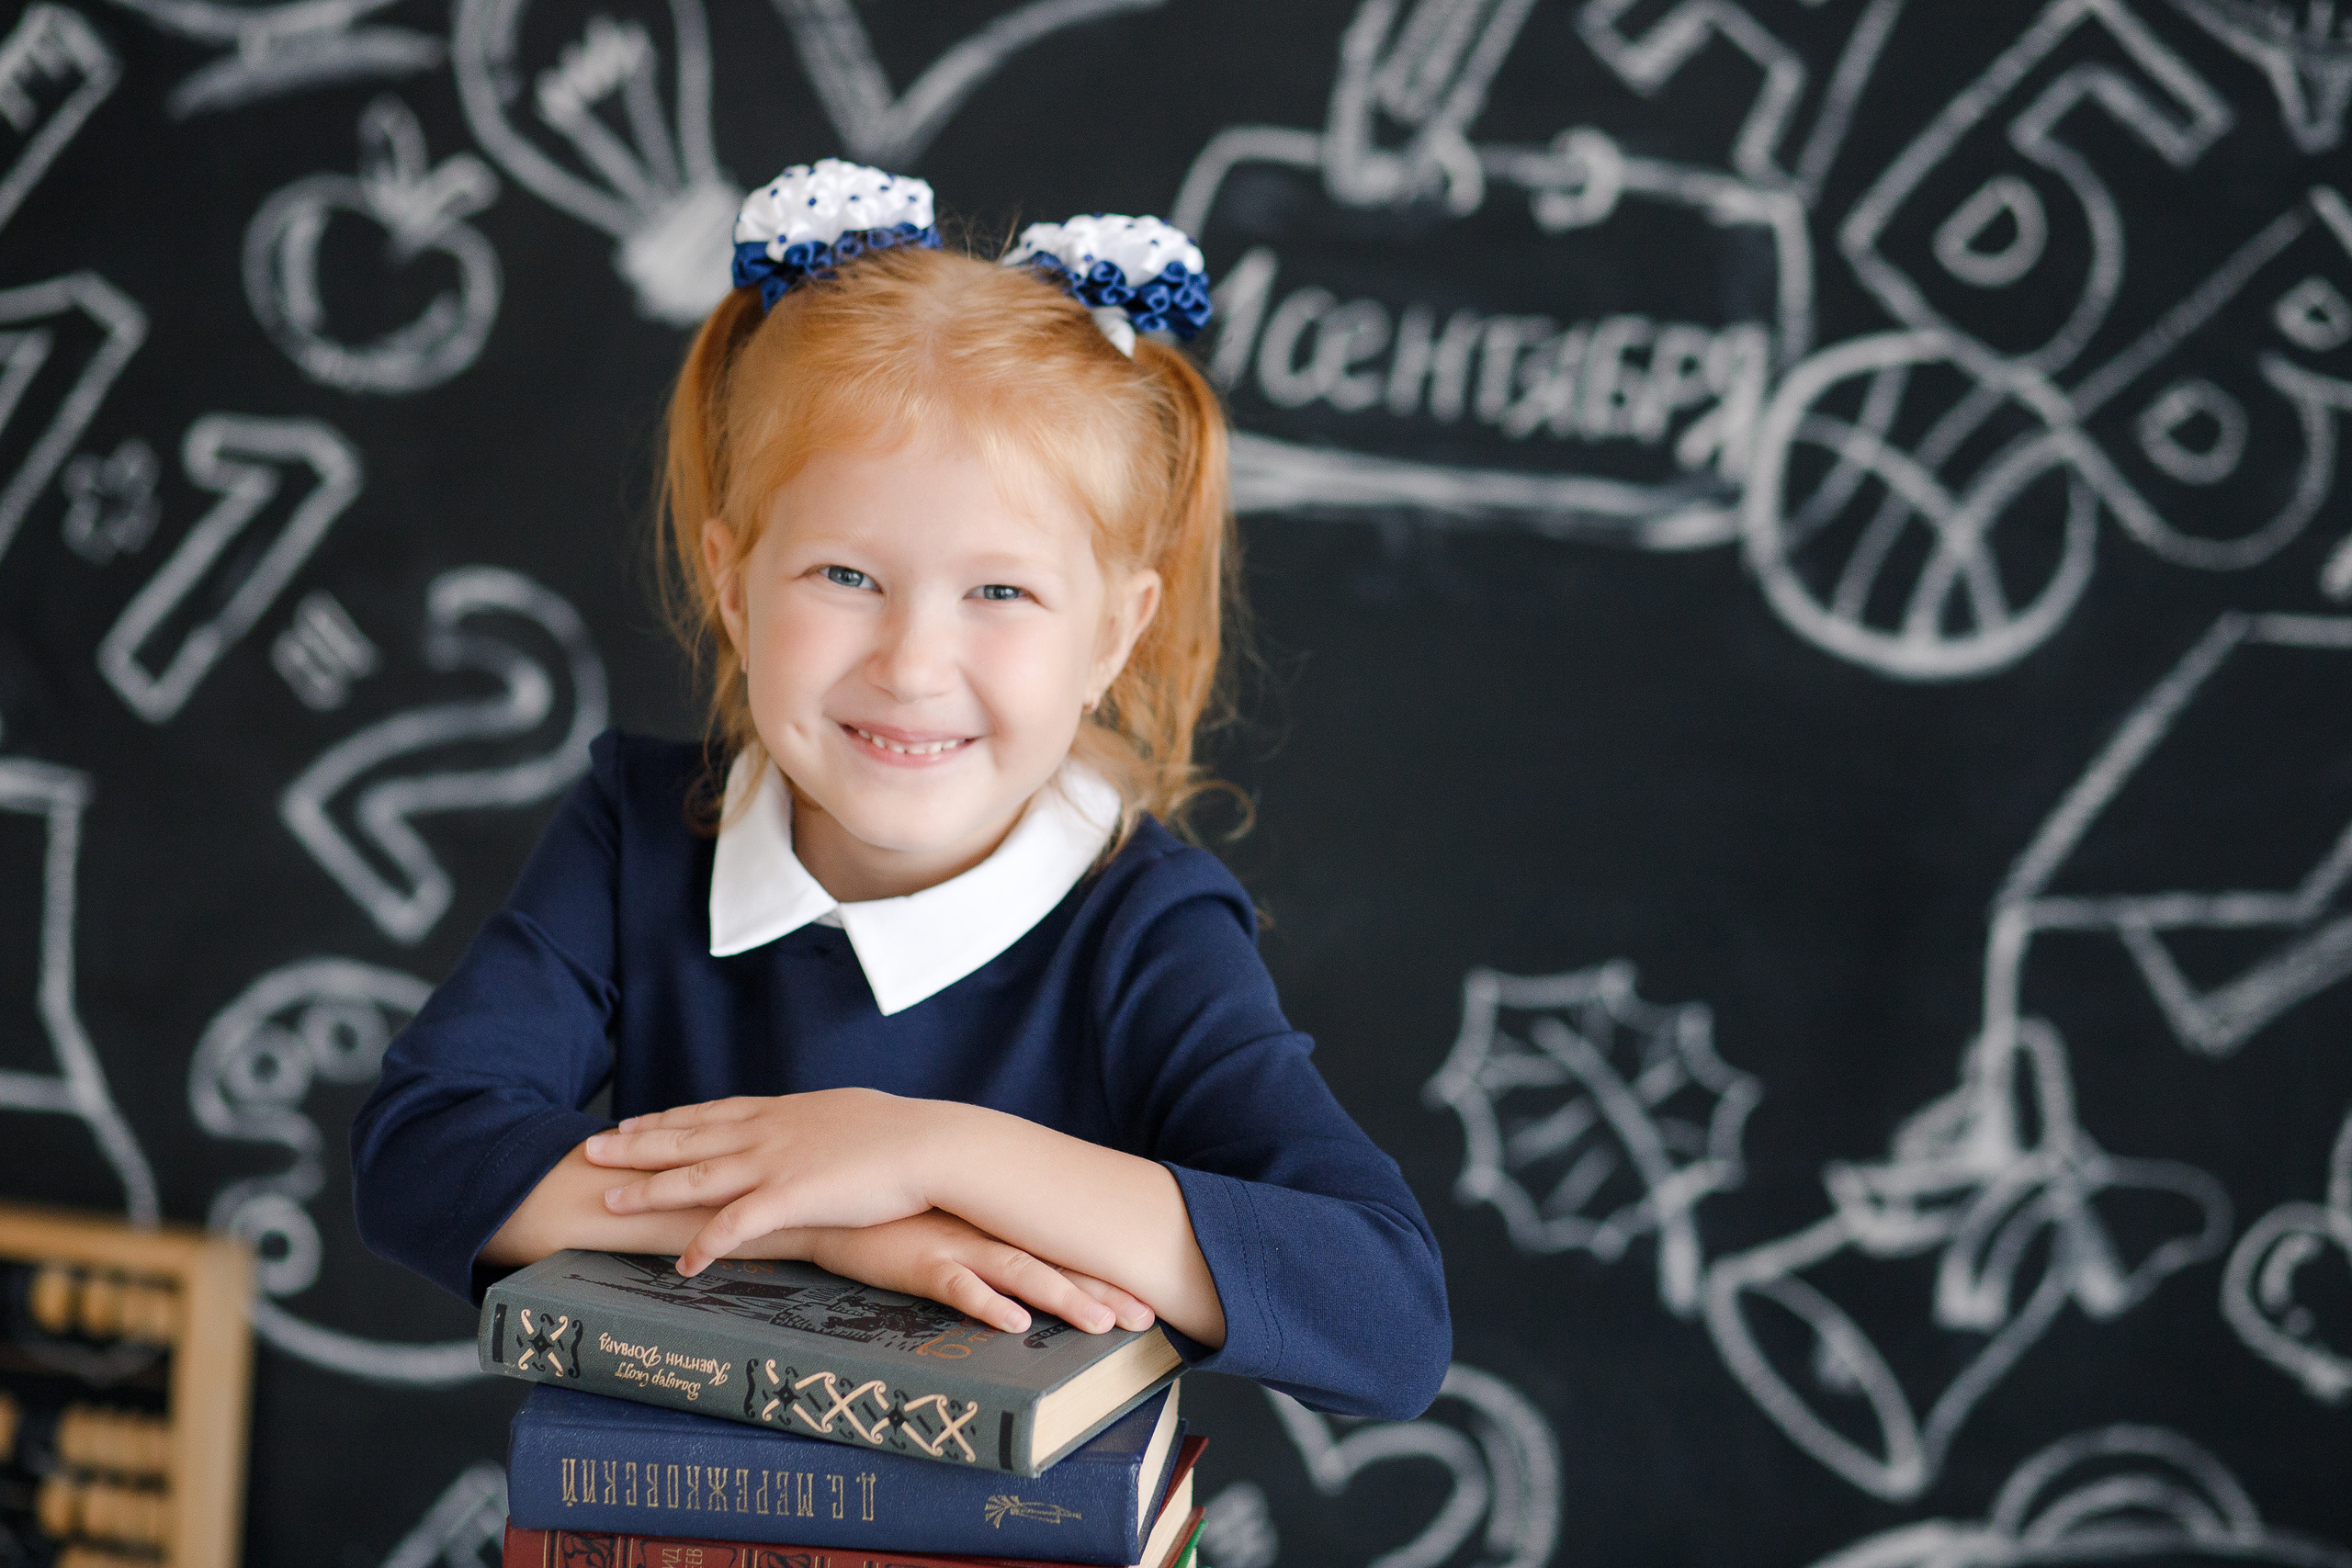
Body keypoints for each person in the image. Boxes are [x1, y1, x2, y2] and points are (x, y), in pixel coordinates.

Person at [351, 160, 1450, 1419]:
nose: (913, 663)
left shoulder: (1143, 926)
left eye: (1002, 592)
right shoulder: (638, 838)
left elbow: (1384, 1316)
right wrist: (816, 1229)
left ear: (1112, 637)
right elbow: (420, 1153)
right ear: (732, 585)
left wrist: (925, 1151)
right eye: (843, 576)